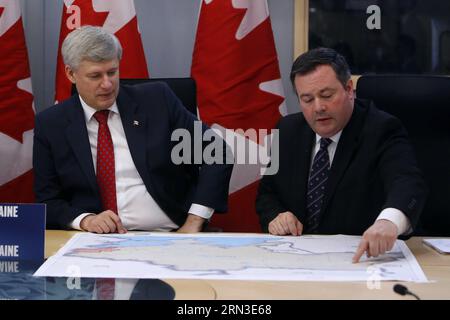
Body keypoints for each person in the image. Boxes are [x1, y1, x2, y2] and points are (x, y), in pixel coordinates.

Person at [33, 26, 233, 234]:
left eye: (112, 72)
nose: (107, 84)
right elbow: (48, 200)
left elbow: (216, 153)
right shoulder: (51, 124)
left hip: (171, 235)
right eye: (95, 76)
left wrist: (193, 222)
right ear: (71, 74)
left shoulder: (157, 101)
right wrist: (85, 220)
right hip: (94, 242)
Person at [255, 48, 427, 262]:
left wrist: (388, 222)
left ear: (349, 89)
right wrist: (276, 215)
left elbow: (407, 183)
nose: (319, 107)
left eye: (326, 95)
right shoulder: (288, 130)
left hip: (363, 260)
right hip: (297, 260)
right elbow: (267, 193)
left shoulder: (381, 129)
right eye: (307, 99)